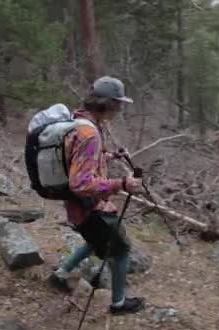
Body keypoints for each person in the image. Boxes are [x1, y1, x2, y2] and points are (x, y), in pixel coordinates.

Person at [47, 76, 146, 315]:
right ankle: (119, 304)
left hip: (76, 206)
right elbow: (81, 182)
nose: (120, 109)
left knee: (96, 240)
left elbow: (78, 160)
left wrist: (109, 156)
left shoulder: (78, 120)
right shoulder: (89, 134)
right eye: (118, 103)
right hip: (87, 206)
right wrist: (121, 183)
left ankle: (61, 274)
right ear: (107, 103)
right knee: (120, 249)